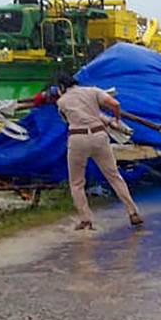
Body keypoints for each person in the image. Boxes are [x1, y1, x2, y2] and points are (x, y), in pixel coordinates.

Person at [55, 74, 143, 230]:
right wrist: (115, 119)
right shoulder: (93, 91)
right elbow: (115, 103)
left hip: (77, 139)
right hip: (99, 135)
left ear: (62, 88)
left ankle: (86, 220)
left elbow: (67, 119)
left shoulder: (62, 101)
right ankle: (132, 212)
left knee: (76, 183)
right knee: (114, 176)